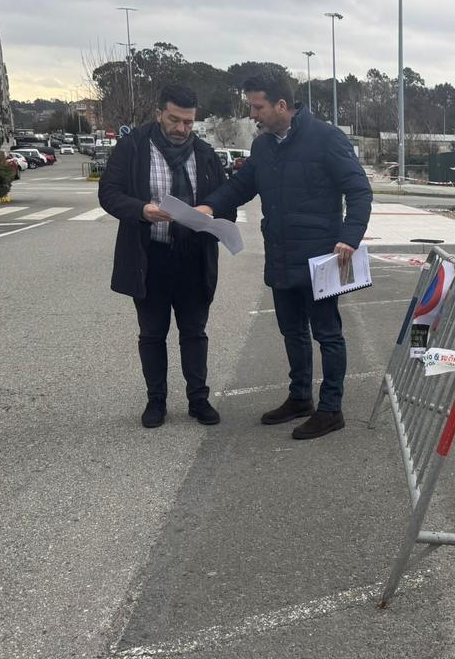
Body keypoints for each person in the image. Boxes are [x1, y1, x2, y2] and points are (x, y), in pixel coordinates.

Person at [196, 72, 372, 440]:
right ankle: (300, 398)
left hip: (321, 260)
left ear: (281, 105)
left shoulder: (326, 139)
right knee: (291, 331)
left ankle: (330, 408)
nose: (253, 114)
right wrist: (209, 208)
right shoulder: (263, 147)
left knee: (328, 334)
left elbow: (359, 190)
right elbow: (241, 187)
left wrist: (349, 236)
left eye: (257, 107)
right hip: (280, 255)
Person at [99, 83, 236, 428]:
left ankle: (198, 399)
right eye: (174, 120)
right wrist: (142, 210)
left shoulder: (204, 154)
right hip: (150, 257)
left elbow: (226, 203)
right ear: (159, 113)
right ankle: (156, 402)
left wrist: (211, 212)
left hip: (193, 258)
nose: (181, 129)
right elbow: (109, 193)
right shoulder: (133, 146)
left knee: (195, 332)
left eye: (188, 122)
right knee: (152, 334)